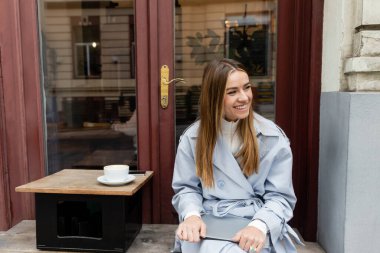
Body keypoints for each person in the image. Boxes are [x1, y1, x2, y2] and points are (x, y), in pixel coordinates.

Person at [171, 58, 302, 253]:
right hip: (209, 221)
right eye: (232, 92)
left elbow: (280, 197)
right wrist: (191, 216)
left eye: (246, 88)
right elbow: (186, 189)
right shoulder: (193, 138)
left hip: (256, 220)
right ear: (214, 97)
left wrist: (258, 226)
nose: (244, 97)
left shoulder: (272, 137)